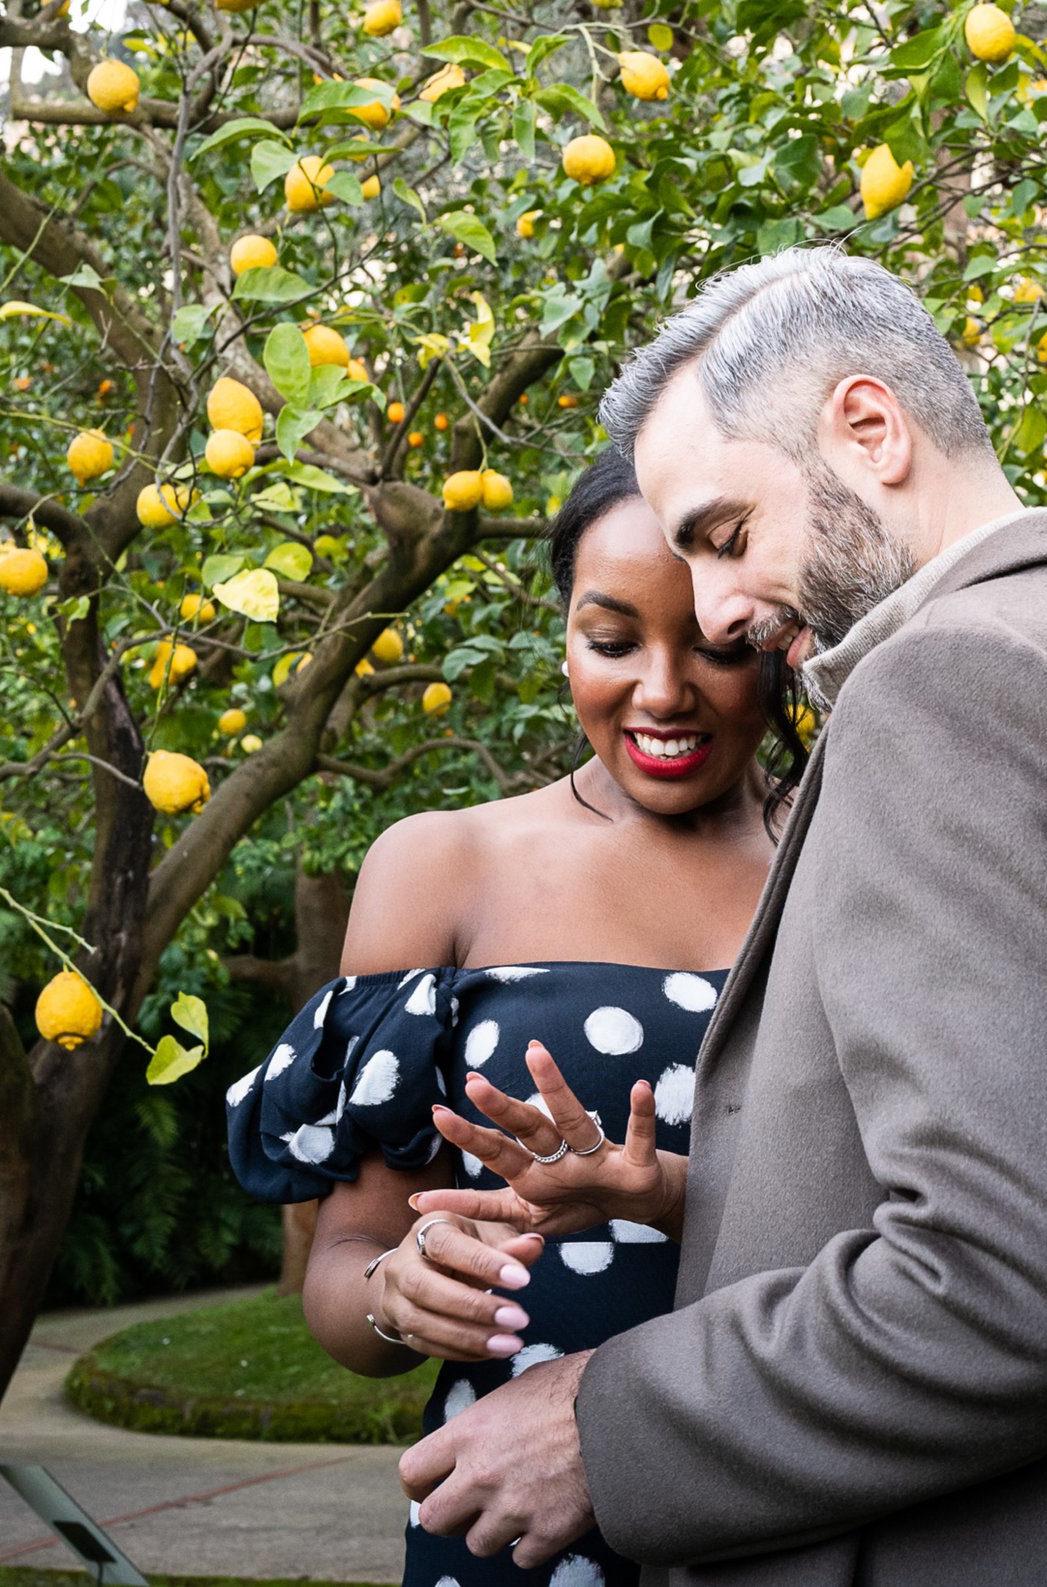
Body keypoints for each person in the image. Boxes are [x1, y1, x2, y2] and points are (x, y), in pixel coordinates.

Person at [400, 246, 1047, 1586]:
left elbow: (1019, 1283)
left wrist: (604, 1421)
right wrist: (692, 1192)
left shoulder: (951, 689)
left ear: (871, 429)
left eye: (727, 537)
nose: (722, 614)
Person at [225, 451, 784, 1587]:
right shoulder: (444, 866)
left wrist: (680, 1201)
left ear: (780, 642)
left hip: (791, 1502)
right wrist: (400, 1289)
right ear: (564, 638)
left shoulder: (858, 855)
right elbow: (347, 1267)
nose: (664, 691)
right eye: (613, 639)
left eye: (719, 646)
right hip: (518, 1530)